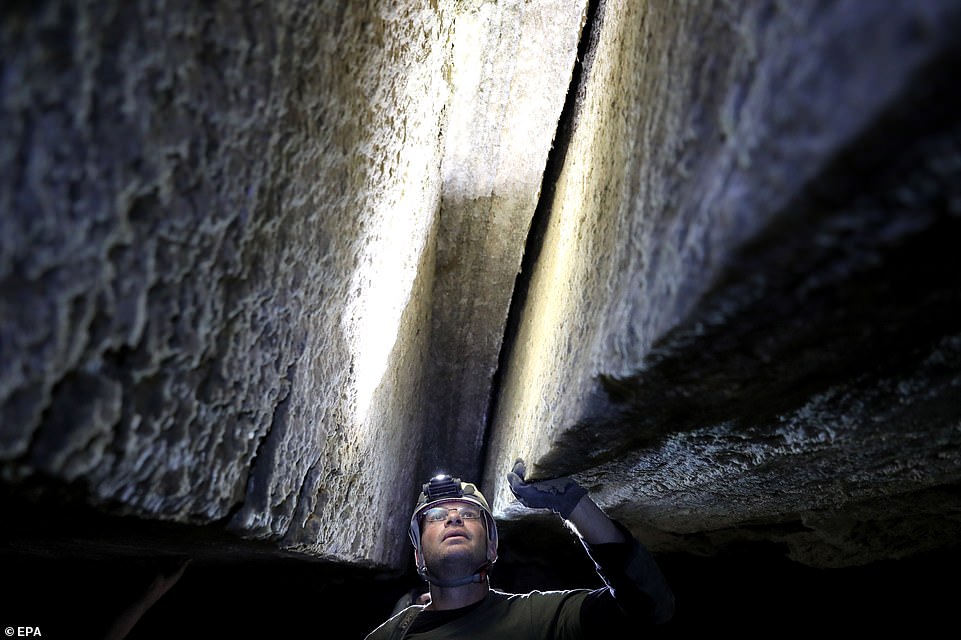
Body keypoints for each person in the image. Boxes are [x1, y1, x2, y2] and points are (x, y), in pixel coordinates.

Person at [364, 458, 674, 639]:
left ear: (492, 547)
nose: (454, 517)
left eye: (469, 514)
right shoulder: (392, 635)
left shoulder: (542, 619)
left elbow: (650, 607)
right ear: (418, 555)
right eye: (436, 517)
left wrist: (572, 504)